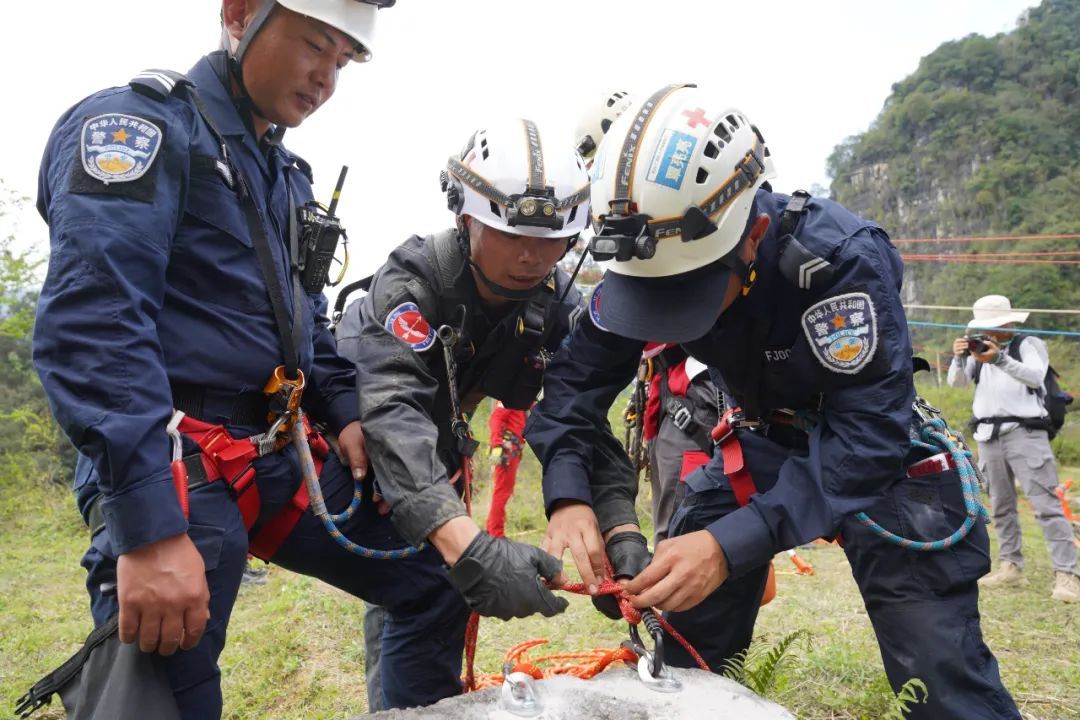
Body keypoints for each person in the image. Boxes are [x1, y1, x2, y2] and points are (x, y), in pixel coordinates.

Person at [29, 1, 481, 716]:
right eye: (316, 45)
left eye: (344, 60)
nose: (326, 76)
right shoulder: (141, 129)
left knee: (439, 575)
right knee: (163, 676)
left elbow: (306, 326)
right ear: (241, 14)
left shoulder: (281, 174)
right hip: (175, 454)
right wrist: (148, 531)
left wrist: (347, 411)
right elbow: (96, 328)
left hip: (278, 449)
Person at [526, 84, 1021, 719]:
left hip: (877, 453)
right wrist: (569, 493)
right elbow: (572, 386)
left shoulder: (838, 262)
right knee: (685, 632)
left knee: (941, 672)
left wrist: (731, 546)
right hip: (757, 441)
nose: (669, 316)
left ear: (753, 234)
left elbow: (868, 438)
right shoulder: (644, 248)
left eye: (688, 294)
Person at [333, 117, 624, 707]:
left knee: (434, 593)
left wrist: (619, 526)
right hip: (362, 446)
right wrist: (468, 545)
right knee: (418, 585)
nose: (531, 257)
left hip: (437, 446)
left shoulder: (554, 302)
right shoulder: (412, 282)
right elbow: (393, 411)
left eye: (551, 240)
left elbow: (579, 416)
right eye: (510, 234)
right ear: (466, 217)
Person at [947, 295, 1080, 602]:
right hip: (987, 434)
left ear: (1008, 324)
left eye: (994, 327)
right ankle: (1010, 566)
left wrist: (999, 359)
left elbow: (1035, 376)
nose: (989, 334)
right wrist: (958, 358)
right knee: (1000, 504)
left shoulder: (1028, 345)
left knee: (1046, 504)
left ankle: (1067, 574)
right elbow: (957, 385)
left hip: (1026, 432)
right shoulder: (977, 351)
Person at [486, 401, 529, 538]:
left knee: (503, 491)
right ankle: (495, 533)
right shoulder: (510, 397)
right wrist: (497, 444)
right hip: (507, 450)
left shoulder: (521, 399)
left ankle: (491, 529)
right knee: (502, 491)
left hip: (511, 450)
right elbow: (496, 418)